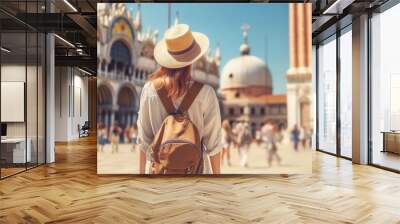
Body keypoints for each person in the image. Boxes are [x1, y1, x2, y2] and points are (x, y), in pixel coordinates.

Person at [137, 24, 223, 174]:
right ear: (191, 60)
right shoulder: (206, 93)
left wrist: (140, 175)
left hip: (159, 176)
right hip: (196, 174)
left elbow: (143, 141)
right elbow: (214, 146)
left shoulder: (149, 90)